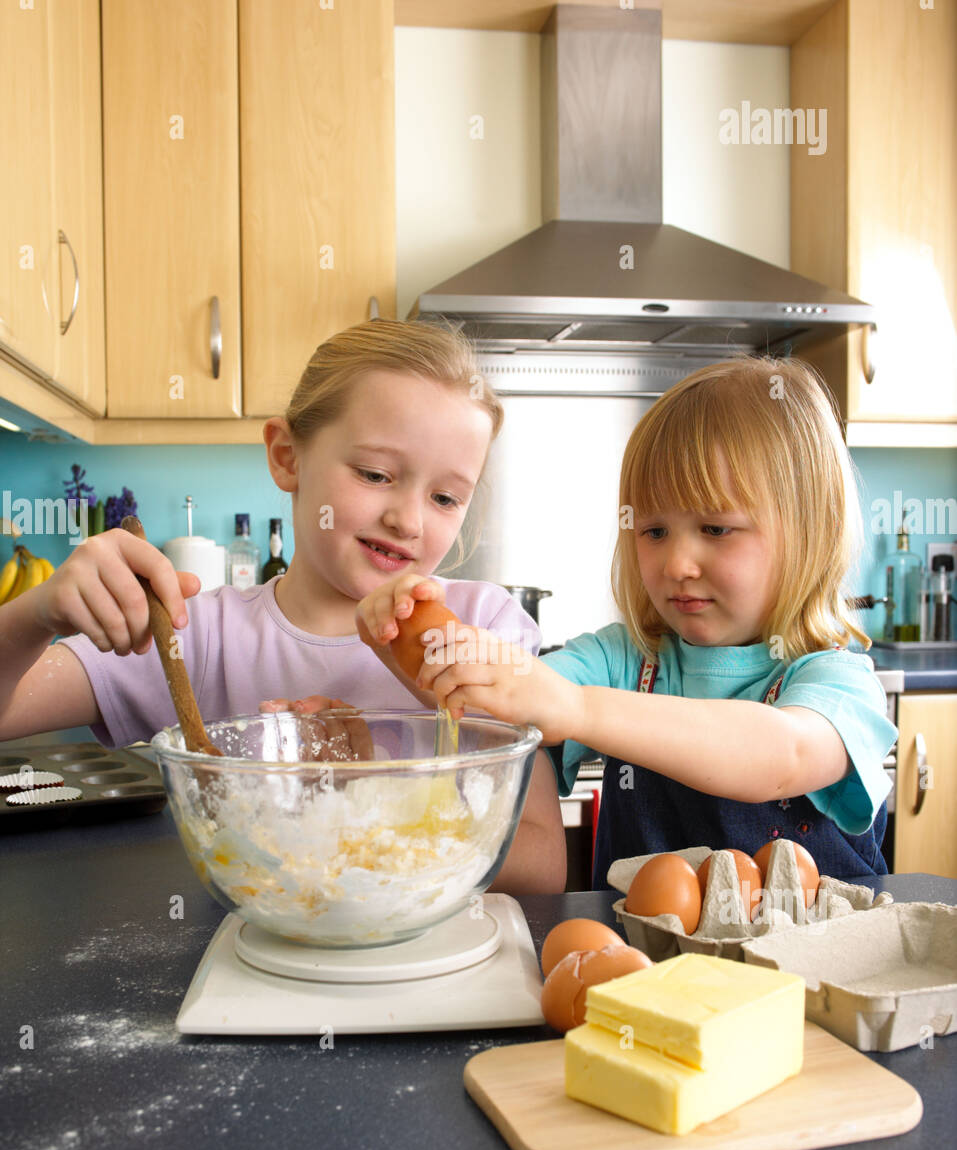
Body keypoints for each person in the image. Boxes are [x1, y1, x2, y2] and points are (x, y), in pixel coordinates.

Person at [0, 319, 566, 894]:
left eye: (445, 497)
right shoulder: (198, 636)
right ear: (287, 456)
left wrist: (369, 793)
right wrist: (36, 612)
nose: (409, 520)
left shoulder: (482, 631)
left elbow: (545, 866)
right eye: (375, 474)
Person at [361, 356, 897, 887]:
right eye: (655, 531)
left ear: (809, 531)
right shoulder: (624, 659)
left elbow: (784, 754)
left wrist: (577, 707)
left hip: (812, 967)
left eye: (715, 529)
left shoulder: (837, 682)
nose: (676, 565)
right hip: (645, 970)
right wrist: (405, 636)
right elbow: (497, 705)